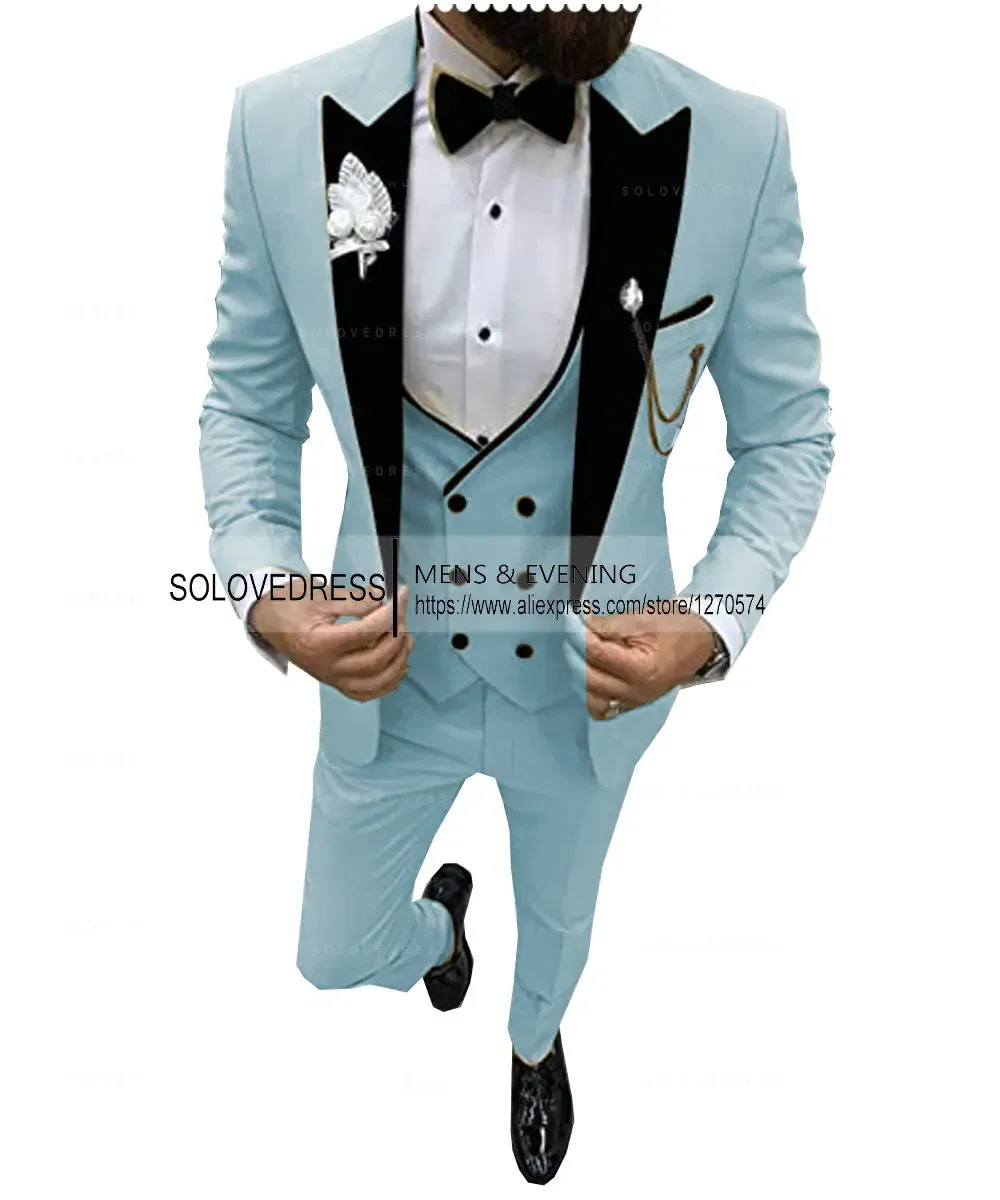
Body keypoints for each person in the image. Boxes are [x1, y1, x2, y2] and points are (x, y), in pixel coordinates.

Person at [199, 5, 833, 1183]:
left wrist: (712, 620)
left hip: (594, 687)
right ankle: (439, 935)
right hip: (385, 677)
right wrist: (262, 582)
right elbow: (246, 403)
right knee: (332, 952)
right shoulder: (278, 125)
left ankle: (533, 1039)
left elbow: (789, 432)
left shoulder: (735, 144)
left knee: (559, 924)